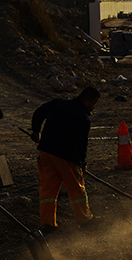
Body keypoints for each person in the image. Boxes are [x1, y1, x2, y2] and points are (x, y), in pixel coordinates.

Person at [30, 87, 101, 232]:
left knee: (47, 190)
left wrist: (36, 131)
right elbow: (82, 145)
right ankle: (84, 219)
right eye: (93, 103)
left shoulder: (58, 103)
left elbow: (38, 113)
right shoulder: (83, 118)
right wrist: (82, 164)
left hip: (46, 153)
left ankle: (47, 224)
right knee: (76, 189)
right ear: (86, 100)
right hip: (66, 158)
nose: (93, 107)